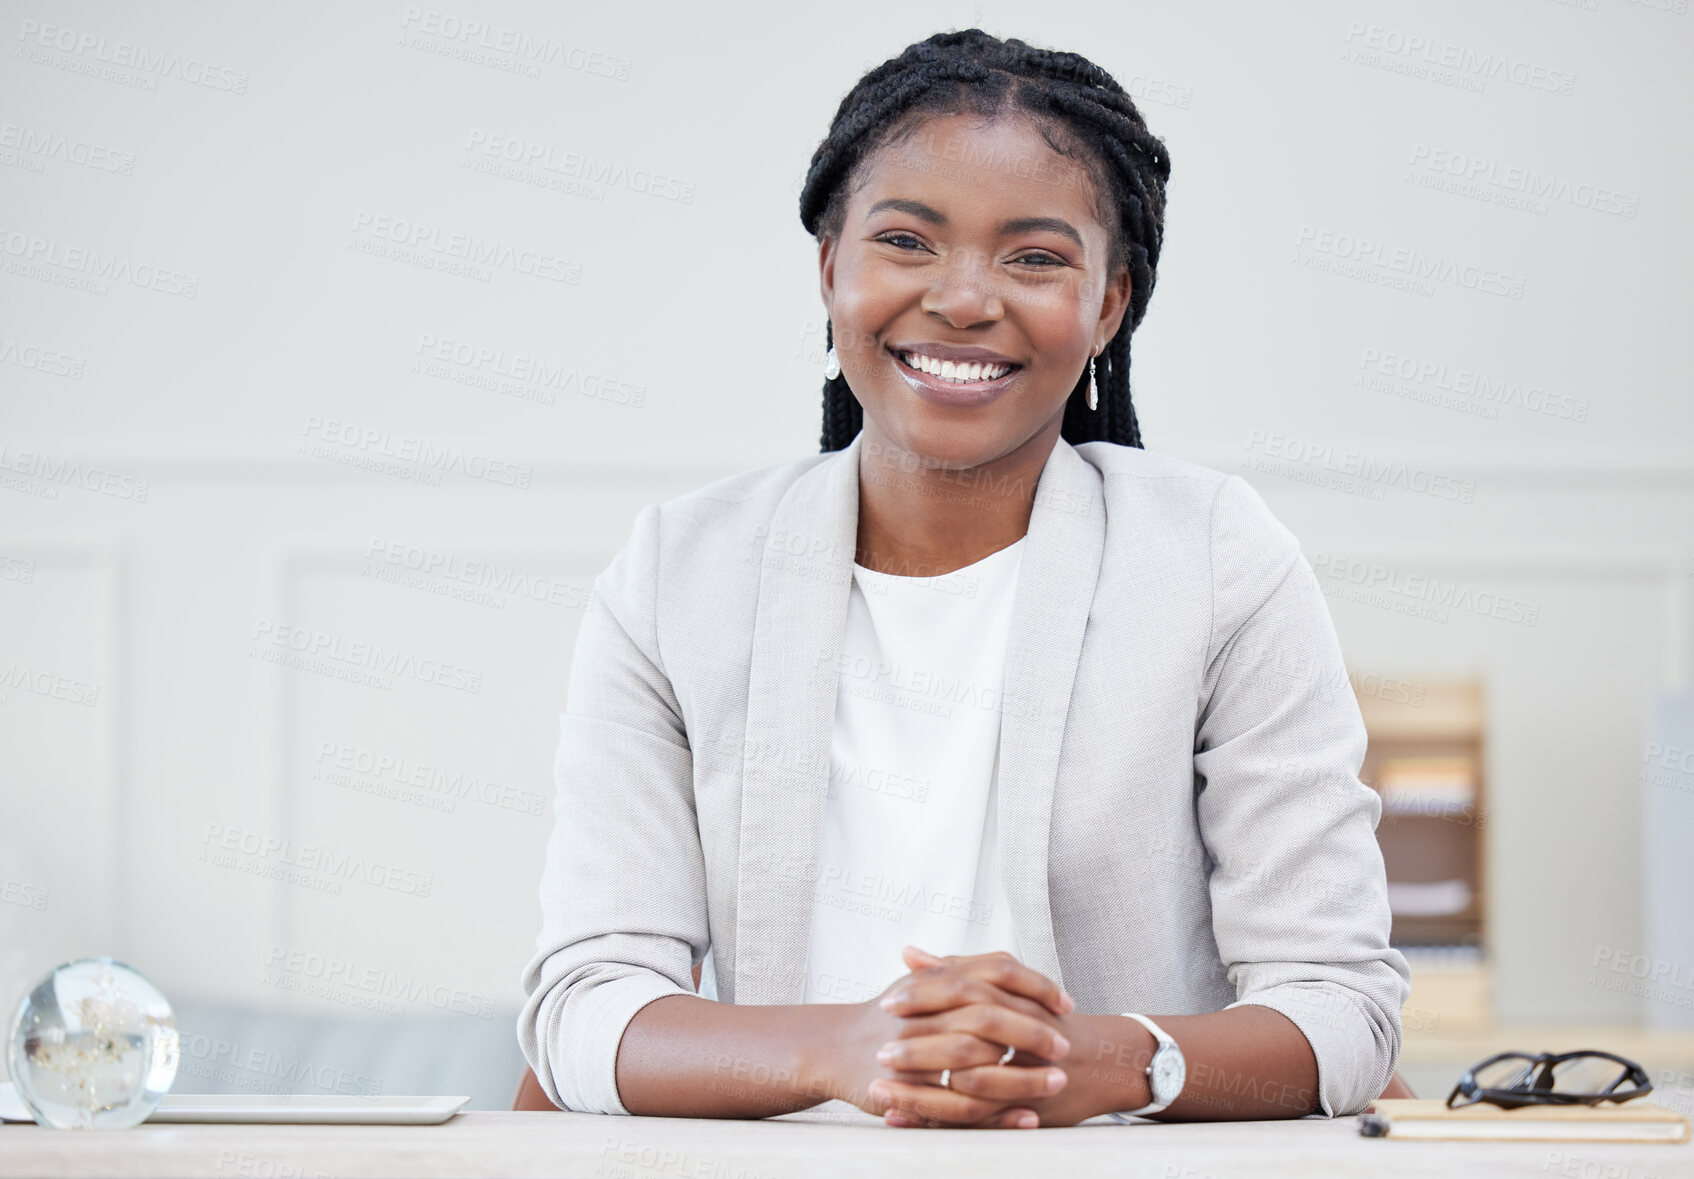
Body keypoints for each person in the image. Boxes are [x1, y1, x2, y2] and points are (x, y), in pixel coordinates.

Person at [517, 28, 1411, 1129]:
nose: (963, 298)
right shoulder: (677, 570)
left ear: (1109, 305)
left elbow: (1340, 1007)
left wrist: (1113, 1063)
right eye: (905, 240)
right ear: (829, 268)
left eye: (1033, 258)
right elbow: (584, 1008)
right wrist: (845, 1046)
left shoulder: (1216, 555)